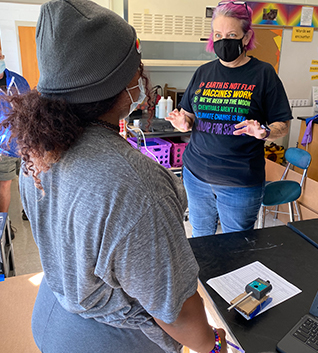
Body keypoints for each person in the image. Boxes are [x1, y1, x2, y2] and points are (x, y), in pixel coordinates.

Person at [0, 1, 228, 352]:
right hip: (108, 340)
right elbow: (176, 310)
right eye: (136, 65)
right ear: (119, 83)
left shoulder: (40, 147)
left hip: (53, 314)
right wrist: (211, 345)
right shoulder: (136, 185)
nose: (142, 74)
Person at [166, 0, 292, 237]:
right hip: (196, 176)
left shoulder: (263, 74)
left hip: (239, 183)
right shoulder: (203, 72)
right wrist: (184, 123)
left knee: (236, 246)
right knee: (201, 238)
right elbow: (190, 116)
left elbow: (282, 126)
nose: (223, 41)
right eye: (218, 34)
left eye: (232, 34)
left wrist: (263, 132)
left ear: (246, 37)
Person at [0, 49, 30, 237]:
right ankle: (3, 225)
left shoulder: (18, 81)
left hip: (24, 140)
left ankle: (28, 211)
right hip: (2, 147)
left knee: (27, 179)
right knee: (4, 185)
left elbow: (29, 108)